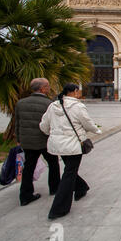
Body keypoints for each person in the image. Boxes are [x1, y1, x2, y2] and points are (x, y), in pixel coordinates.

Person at [40, 83, 101, 220]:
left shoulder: (53, 105)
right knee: (69, 173)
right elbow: (87, 123)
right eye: (78, 91)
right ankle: (58, 208)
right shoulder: (77, 106)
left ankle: (81, 188)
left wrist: (52, 134)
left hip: (58, 145)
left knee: (69, 169)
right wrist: (96, 130)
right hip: (73, 145)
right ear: (74, 91)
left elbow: (44, 125)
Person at [15, 78, 60, 206]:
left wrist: (19, 139)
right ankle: (55, 188)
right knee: (53, 163)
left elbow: (17, 123)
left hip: (27, 141)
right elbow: (53, 124)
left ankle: (25, 196)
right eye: (47, 86)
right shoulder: (49, 104)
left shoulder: (21, 103)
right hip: (43, 141)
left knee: (28, 167)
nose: (49, 88)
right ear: (42, 89)